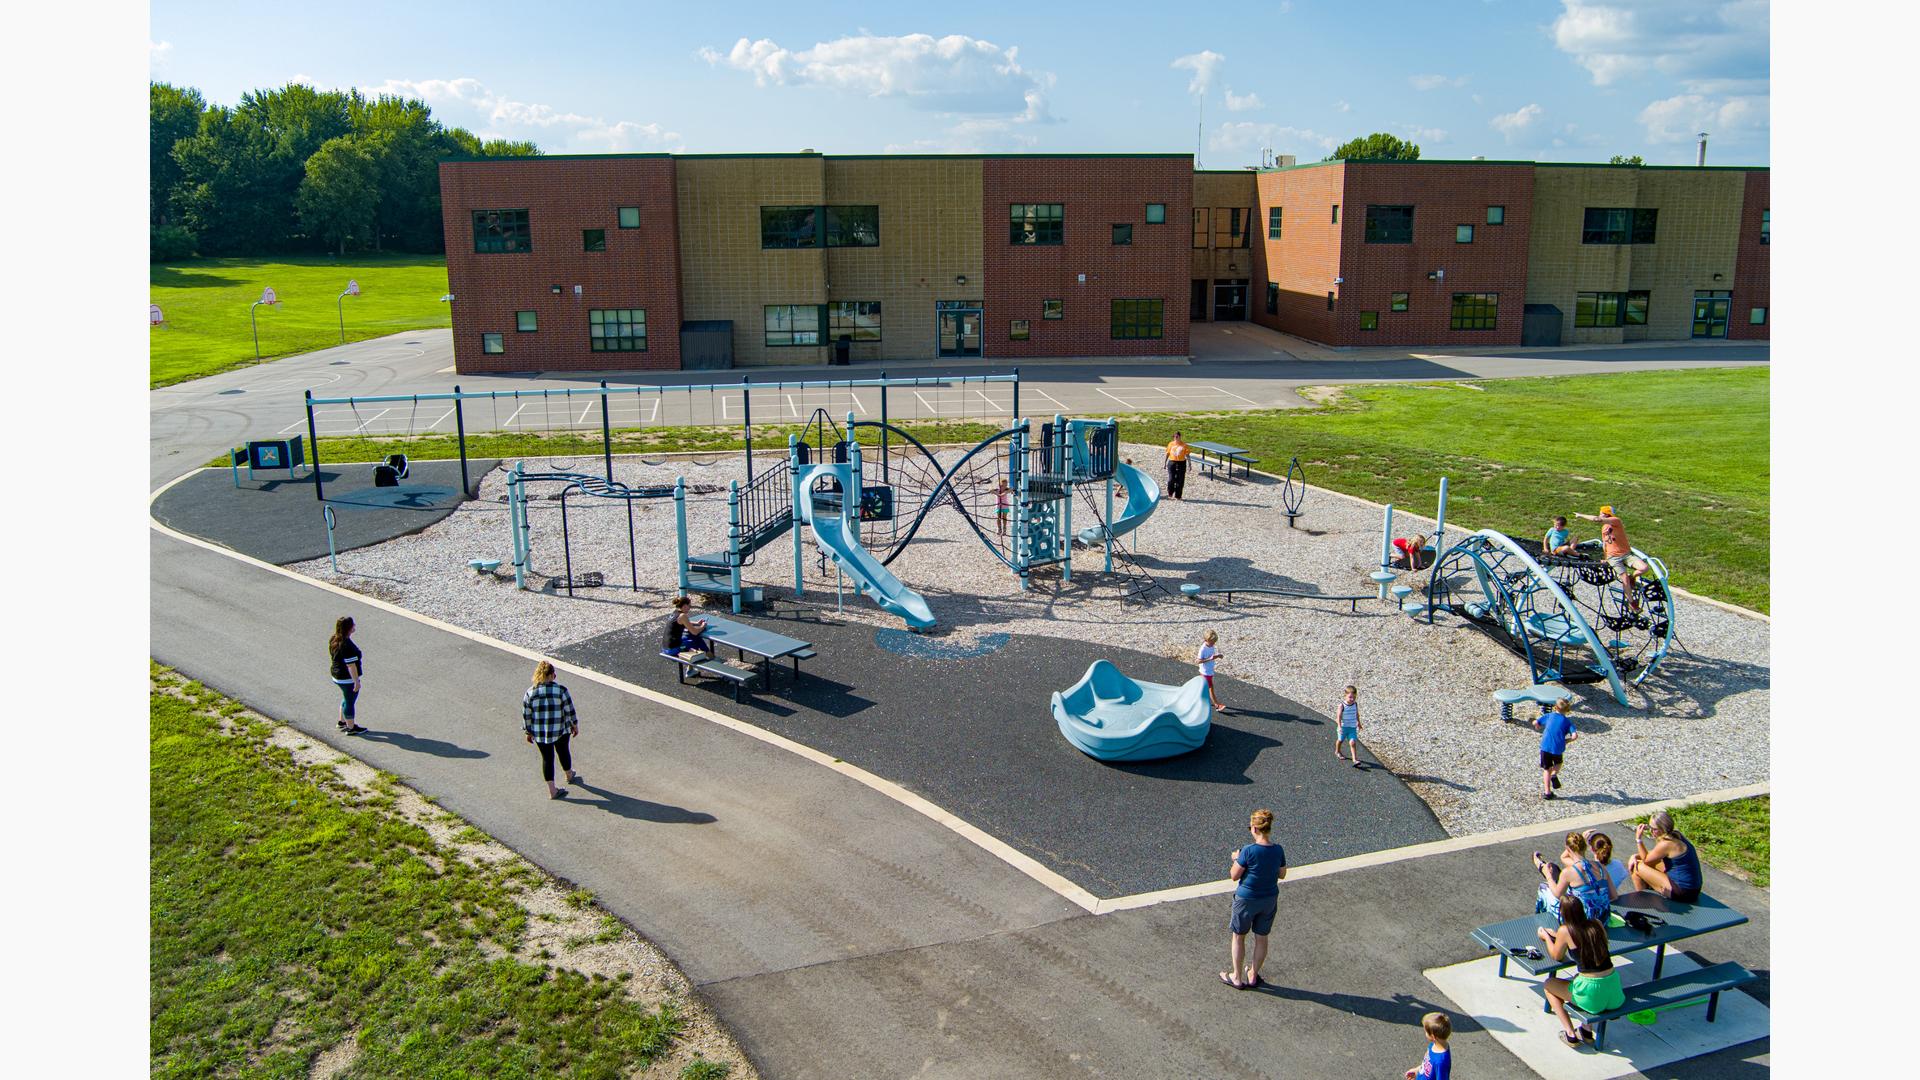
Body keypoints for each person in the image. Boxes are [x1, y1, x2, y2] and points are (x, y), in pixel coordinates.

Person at [1537, 892, 1624, 1047]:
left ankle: (1570, 1034)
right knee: (1579, 977)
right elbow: (1589, 941)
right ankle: (1585, 1030)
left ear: (1563, 913)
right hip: (1614, 990)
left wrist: (1547, 938)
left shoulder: (1565, 931)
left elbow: (1556, 955)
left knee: (1549, 985)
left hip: (1592, 993)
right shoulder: (1596, 924)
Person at [1221, 808, 1286, 989]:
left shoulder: (1248, 851)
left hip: (1247, 899)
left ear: (1255, 829)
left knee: (1239, 936)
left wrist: (1236, 858)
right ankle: (1253, 975)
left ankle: (1236, 976)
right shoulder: (1278, 850)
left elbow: (1234, 875)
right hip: (1269, 899)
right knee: (1261, 937)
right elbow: (1282, 874)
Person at [522, 660, 582, 800]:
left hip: (540, 732)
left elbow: (527, 715)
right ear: (551, 675)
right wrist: (574, 724)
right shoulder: (561, 690)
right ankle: (569, 774)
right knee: (563, 751)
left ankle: (552, 790)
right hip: (560, 729)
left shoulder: (530, 693)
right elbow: (569, 709)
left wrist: (528, 731)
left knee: (547, 759)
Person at [1576, 505, 1652, 612]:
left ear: (1606, 514)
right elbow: (1605, 544)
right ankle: (1631, 602)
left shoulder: (1615, 521)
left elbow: (1596, 519)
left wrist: (1580, 515)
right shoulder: (1604, 528)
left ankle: (1633, 577)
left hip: (1626, 554)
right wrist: (1606, 557)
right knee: (1624, 578)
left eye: (1601, 513)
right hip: (1613, 557)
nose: (1600, 514)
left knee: (1644, 568)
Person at [1532, 831, 1615, 923]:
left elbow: (1558, 895)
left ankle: (1542, 924)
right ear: (1585, 847)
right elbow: (1613, 896)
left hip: (1582, 923)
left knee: (1544, 887)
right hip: (1603, 920)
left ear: (1567, 849)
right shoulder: (1600, 867)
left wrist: (1548, 876)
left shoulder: (1568, 872)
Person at [1627, 810, 1703, 902]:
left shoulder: (1666, 843)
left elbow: (1646, 859)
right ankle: (1647, 893)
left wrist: (1638, 839)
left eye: (1654, 829)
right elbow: (1656, 855)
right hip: (1693, 889)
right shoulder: (1676, 835)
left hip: (1683, 892)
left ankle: (1643, 902)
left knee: (1636, 867)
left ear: (1662, 829)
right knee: (1646, 863)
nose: (1651, 831)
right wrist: (1636, 856)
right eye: (1649, 827)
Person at [328, 616, 367, 735]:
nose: (355, 626)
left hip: (337, 675)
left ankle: (342, 721)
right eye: (353, 625)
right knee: (350, 701)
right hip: (346, 678)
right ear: (349, 628)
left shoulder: (334, 639)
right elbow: (351, 666)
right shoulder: (347, 646)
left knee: (346, 697)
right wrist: (356, 681)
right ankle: (351, 728)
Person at [1533, 698, 1577, 800]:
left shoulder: (1549, 716)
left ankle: (1547, 793)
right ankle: (1554, 774)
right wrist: (1567, 741)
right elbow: (1575, 736)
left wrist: (1535, 725)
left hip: (1545, 746)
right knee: (1558, 763)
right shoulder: (1567, 722)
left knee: (1546, 770)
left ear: (1555, 707)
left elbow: (1536, 722)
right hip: (1558, 748)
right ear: (1567, 710)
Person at [1404, 1012, 1452, 1080]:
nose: (1425, 1033)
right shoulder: (1434, 1044)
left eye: (1426, 1032)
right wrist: (1417, 1070)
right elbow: (1426, 1063)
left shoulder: (1441, 1062)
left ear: (1433, 1036)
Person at [1197, 630, 1227, 713]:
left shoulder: (1211, 646)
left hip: (1209, 670)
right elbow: (1198, 661)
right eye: (1212, 642)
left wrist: (1217, 656)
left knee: (1204, 687)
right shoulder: (1203, 649)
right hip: (1205, 672)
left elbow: (1212, 656)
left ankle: (1197, 699)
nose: (1213, 644)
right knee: (1210, 688)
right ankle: (1217, 705)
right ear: (1206, 640)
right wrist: (1210, 659)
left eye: (1214, 642)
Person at [1335, 685, 1363, 766]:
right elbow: (1338, 716)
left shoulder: (1355, 704)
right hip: (1343, 727)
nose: (1352, 699)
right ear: (1345, 696)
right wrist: (1339, 726)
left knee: (1353, 742)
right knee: (1340, 740)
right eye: (1350, 697)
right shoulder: (1342, 705)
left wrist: (1359, 722)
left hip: (1352, 727)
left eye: (1354, 697)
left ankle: (1354, 759)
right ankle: (1337, 751)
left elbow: (1357, 714)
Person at [1165, 431, 1190, 501]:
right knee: (1171, 479)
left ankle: (1178, 495)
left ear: (1180, 437)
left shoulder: (1184, 445)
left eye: (1177, 436)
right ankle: (1170, 493)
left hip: (1181, 463)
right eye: (1174, 436)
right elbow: (1167, 453)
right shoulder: (1170, 444)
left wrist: (1189, 464)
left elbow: (1187, 455)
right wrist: (1165, 462)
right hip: (1172, 462)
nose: (1175, 438)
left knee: (1180, 480)